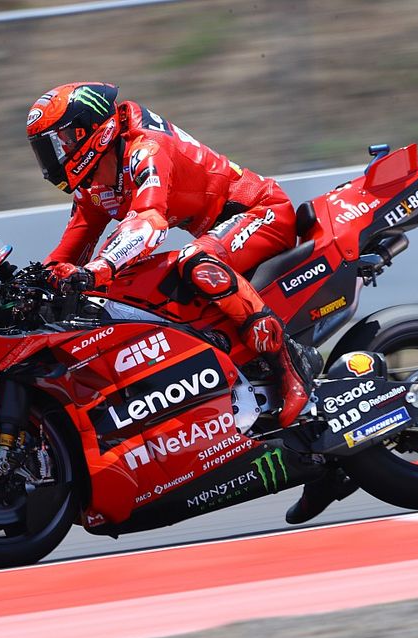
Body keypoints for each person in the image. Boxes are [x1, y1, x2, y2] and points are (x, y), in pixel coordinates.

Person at [26, 82, 353, 523]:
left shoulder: (144, 149)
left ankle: (288, 369)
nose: (53, 155)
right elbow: (70, 248)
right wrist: (35, 284)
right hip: (216, 231)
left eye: (58, 142)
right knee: (125, 286)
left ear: (90, 132)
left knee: (194, 261)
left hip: (262, 213)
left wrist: (98, 268)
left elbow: (149, 219)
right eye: (45, 147)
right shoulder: (94, 183)